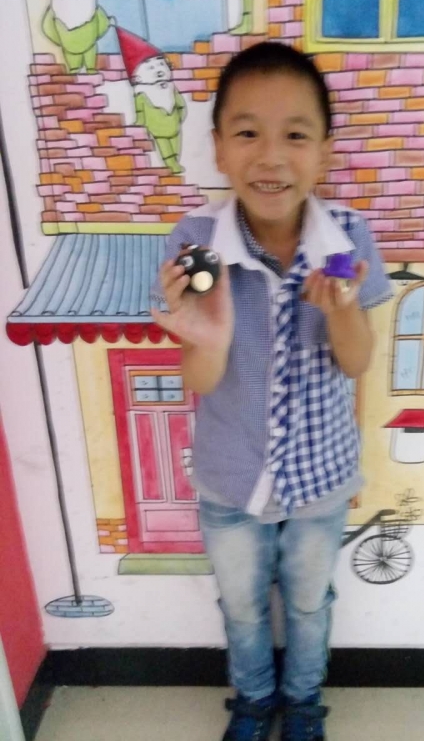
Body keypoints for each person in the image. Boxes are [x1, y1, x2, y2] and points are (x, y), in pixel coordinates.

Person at [151, 41, 392, 741]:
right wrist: (210, 336)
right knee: (242, 604)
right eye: (248, 132)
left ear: (324, 153)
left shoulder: (347, 239)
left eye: (295, 135)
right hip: (230, 476)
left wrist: (341, 308)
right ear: (219, 148)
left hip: (321, 476)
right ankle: (254, 700)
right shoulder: (196, 244)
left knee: (310, 603)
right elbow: (199, 380)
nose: (271, 157)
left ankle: (305, 702)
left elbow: (357, 363)